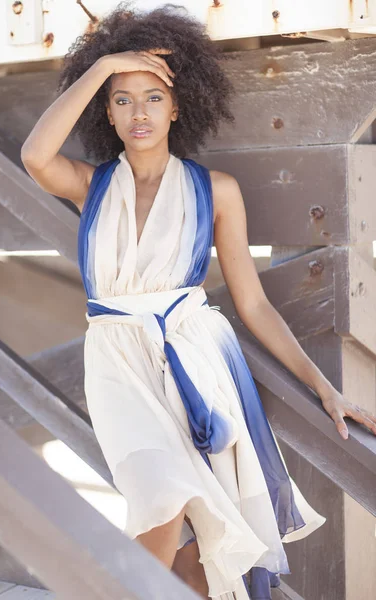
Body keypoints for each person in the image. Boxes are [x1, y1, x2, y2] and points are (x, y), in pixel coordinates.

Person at [21, 3, 376, 599]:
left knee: (195, 552)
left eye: (154, 96)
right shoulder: (90, 185)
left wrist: (326, 388)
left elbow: (254, 305)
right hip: (117, 364)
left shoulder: (216, 192)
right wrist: (104, 61)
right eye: (122, 98)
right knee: (161, 495)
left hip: (196, 360)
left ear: (178, 106)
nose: (139, 111)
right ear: (106, 111)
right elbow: (34, 156)